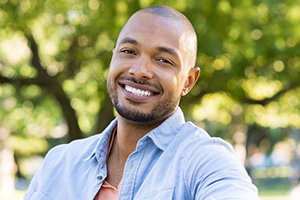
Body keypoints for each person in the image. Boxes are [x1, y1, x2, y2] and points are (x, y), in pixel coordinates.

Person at [24, 5, 259, 200]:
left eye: (163, 60)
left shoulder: (204, 161)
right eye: (129, 51)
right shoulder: (59, 163)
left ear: (188, 81)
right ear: (113, 56)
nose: (140, 71)